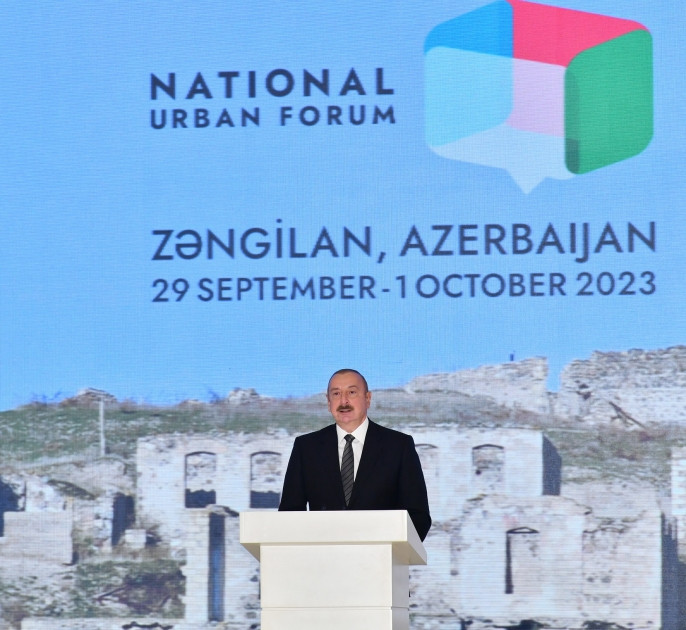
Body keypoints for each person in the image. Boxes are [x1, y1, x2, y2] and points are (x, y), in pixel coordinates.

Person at [278, 368, 432, 541]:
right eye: (336, 394)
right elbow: (289, 514)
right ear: (328, 402)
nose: (343, 401)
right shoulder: (306, 448)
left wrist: (389, 548)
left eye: (351, 392)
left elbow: (418, 516)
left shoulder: (399, 446)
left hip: (381, 555)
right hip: (321, 555)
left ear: (368, 399)